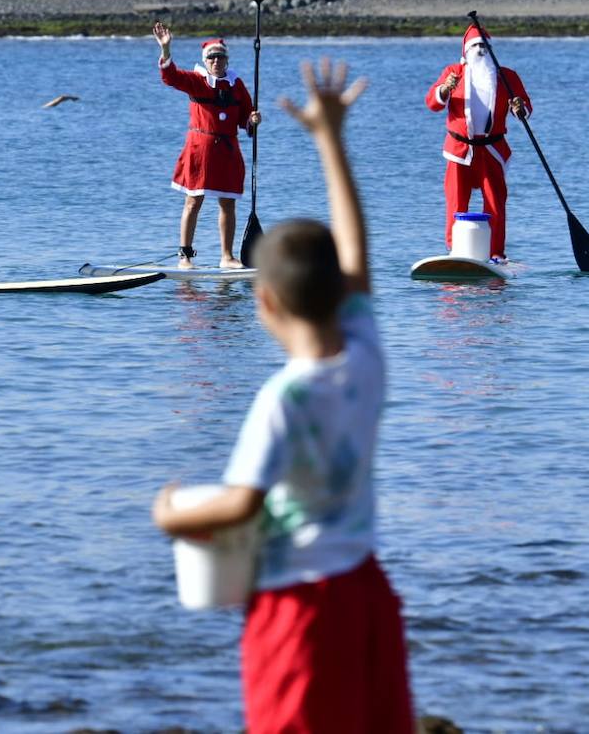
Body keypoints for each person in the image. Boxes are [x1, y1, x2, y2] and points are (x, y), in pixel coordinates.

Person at [152, 57, 414, 733]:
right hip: (368, 591)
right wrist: (331, 139)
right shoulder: (369, 359)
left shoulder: (285, 398)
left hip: (298, 609)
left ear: (263, 304)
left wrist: (172, 515)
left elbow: (241, 505)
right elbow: (358, 257)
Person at [152, 22, 262, 269]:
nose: (215, 60)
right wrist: (166, 49)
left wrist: (253, 120)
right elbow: (170, 77)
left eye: (220, 56)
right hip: (200, 150)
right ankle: (185, 256)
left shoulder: (237, 85)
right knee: (194, 201)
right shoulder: (196, 81)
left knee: (228, 202)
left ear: (226, 60)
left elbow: (247, 120)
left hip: (228, 151)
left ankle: (226, 257)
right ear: (206, 60)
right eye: (211, 57)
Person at [425, 22, 531, 263]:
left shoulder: (507, 76)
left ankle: (496, 253)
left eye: (484, 45)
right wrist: (444, 89)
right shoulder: (454, 73)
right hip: (460, 149)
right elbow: (432, 102)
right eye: (475, 45)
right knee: (456, 200)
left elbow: (524, 106)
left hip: (492, 149)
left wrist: (519, 108)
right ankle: (455, 250)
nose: (480, 50)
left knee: (495, 202)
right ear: (466, 50)